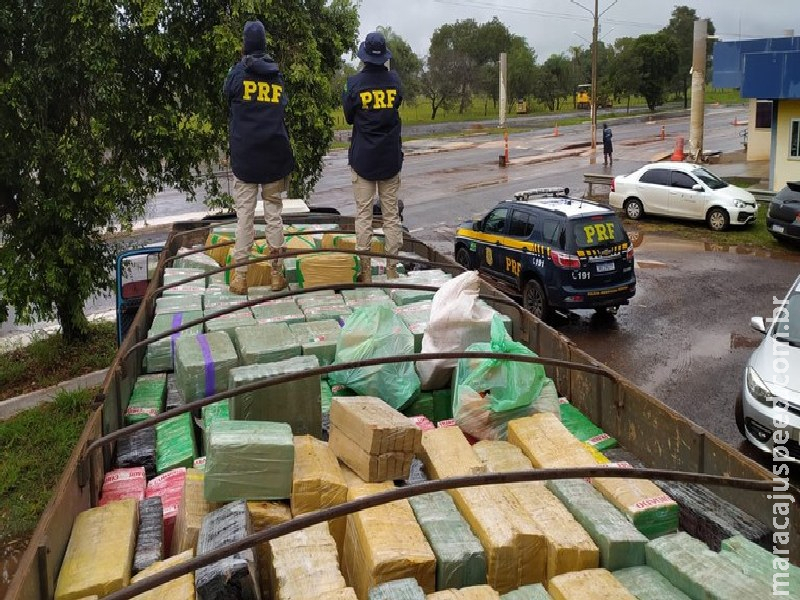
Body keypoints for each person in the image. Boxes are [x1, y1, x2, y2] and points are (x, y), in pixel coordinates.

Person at [223, 20, 295, 295]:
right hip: (274, 156)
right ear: (264, 45)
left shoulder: (238, 74)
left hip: (245, 158)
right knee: (274, 215)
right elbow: (282, 107)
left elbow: (227, 96)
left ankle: (240, 278)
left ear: (244, 45)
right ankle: (277, 276)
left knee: (245, 218)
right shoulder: (276, 76)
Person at [342, 31, 404, 282]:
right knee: (391, 216)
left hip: (363, 160)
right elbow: (397, 103)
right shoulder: (395, 81)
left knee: (364, 216)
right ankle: (391, 271)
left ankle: (365, 271)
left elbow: (348, 117)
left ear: (364, 56)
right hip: (389, 159)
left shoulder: (354, 84)